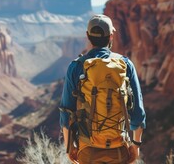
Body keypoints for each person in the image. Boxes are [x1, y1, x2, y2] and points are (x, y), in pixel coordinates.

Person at [59, 14, 146, 164]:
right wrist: (136, 145)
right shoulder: (126, 64)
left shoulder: (76, 66)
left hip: (87, 150)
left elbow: (66, 112)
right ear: (111, 36)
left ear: (88, 36)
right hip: (118, 149)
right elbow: (138, 111)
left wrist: (69, 147)